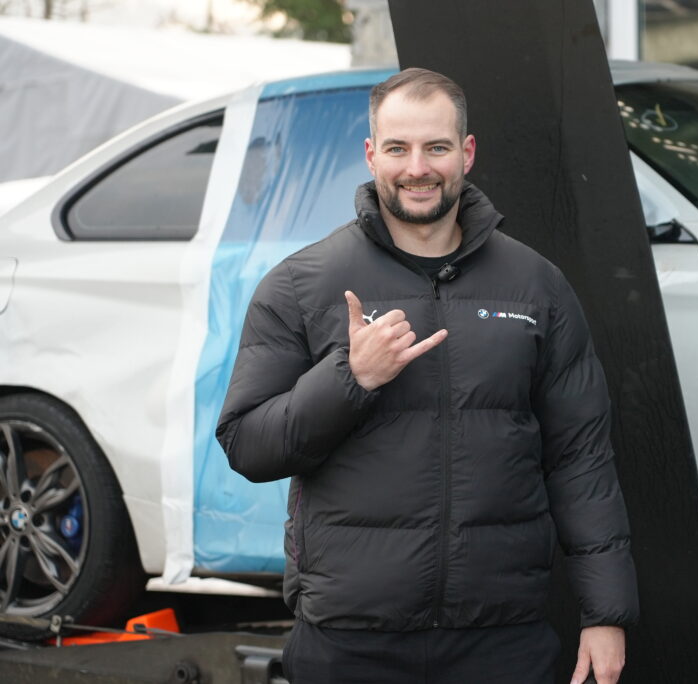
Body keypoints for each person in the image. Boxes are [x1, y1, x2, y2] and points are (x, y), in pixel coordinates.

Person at [217, 67, 639, 684]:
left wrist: (605, 612)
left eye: (436, 147)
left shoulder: (537, 286)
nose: (417, 168)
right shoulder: (301, 285)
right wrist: (350, 378)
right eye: (398, 148)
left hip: (503, 637)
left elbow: (581, 459)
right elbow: (248, 446)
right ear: (371, 155)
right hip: (350, 639)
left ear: (466, 153)